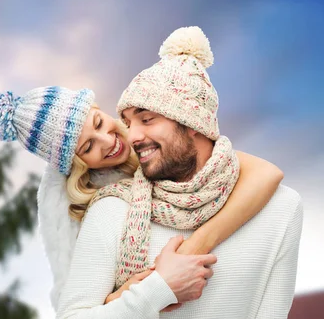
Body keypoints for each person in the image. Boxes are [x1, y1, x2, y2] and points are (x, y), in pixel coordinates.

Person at [54, 26, 302, 318]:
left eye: (147, 119)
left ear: (192, 121)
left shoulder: (282, 208)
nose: (132, 136)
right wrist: (157, 289)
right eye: (129, 122)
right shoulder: (112, 210)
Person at [0, 78, 281, 316]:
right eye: (87, 147)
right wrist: (138, 291)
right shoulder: (98, 207)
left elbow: (266, 174)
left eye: (99, 123)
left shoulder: (158, 143)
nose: (109, 141)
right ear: (77, 164)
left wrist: (195, 247)